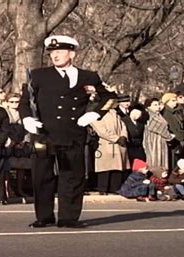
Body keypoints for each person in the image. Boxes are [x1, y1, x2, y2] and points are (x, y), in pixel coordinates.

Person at [19, 35, 116, 228]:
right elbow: (25, 101)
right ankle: (44, 216)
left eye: (60, 52)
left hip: (73, 134)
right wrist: (27, 118)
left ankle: (69, 217)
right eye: (52, 52)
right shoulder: (38, 76)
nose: (55, 56)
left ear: (71, 54)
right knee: (42, 177)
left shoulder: (88, 76)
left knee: (72, 177)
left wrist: (94, 115)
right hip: (45, 134)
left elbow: (110, 98)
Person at [90, 97, 130, 195]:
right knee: (105, 168)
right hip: (106, 144)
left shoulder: (115, 113)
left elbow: (123, 126)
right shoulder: (97, 114)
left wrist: (123, 136)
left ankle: (115, 187)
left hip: (119, 144)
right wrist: (116, 138)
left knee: (117, 167)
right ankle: (103, 188)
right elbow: (101, 130)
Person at [5, 92, 31, 197]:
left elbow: (28, 129)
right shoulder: (5, 113)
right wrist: (10, 141)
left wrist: (24, 142)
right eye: (12, 102)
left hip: (21, 142)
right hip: (9, 143)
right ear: (7, 103)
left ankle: (20, 189)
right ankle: (8, 189)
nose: (15, 104)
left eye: (17, 102)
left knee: (21, 167)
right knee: (6, 166)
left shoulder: (23, 113)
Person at [143, 98, 175, 169]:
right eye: (155, 105)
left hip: (161, 141)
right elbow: (159, 127)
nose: (158, 107)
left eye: (158, 104)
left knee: (162, 160)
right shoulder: (149, 115)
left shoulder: (158, 114)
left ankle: (162, 176)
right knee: (155, 161)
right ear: (149, 106)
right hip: (153, 141)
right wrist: (169, 136)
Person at [161, 92, 184, 170]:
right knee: (174, 163)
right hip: (174, 141)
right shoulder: (166, 113)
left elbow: (183, 125)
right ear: (167, 102)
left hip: (181, 140)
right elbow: (172, 128)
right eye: (173, 100)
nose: (175, 102)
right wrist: (180, 138)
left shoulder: (176, 112)